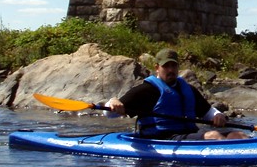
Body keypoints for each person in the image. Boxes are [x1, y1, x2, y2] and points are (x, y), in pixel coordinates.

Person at [104, 48, 248, 140]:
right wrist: (113, 102)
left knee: (238, 135)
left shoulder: (188, 89)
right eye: (166, 66)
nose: (170, 69)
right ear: (157, 68)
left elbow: (207, 112)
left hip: (188, 134)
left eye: (174, 65)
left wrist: (218, 116)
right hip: (163, 138)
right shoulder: (147, 90)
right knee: (213, 136)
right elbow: (110, 113)